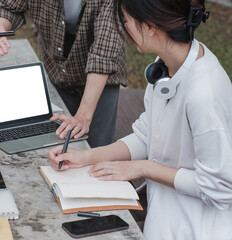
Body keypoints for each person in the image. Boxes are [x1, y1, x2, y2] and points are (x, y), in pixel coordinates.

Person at [48, 0, 232, 239]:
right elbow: (147, 134)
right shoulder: (165, 67)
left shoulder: (203, 93)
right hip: (164, 217)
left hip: (197, 229)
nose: (123, 29)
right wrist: (85, 157)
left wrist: (143, 168)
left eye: (126, 21)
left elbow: (220, 186)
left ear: (150, 26)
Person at [0, 0, 128, 148]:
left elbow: (104, 52)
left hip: (102, 78)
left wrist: (83, 116)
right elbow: (10, 7)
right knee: (56, 142)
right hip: (56, 69)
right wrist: (0, 23)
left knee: (97, 148)